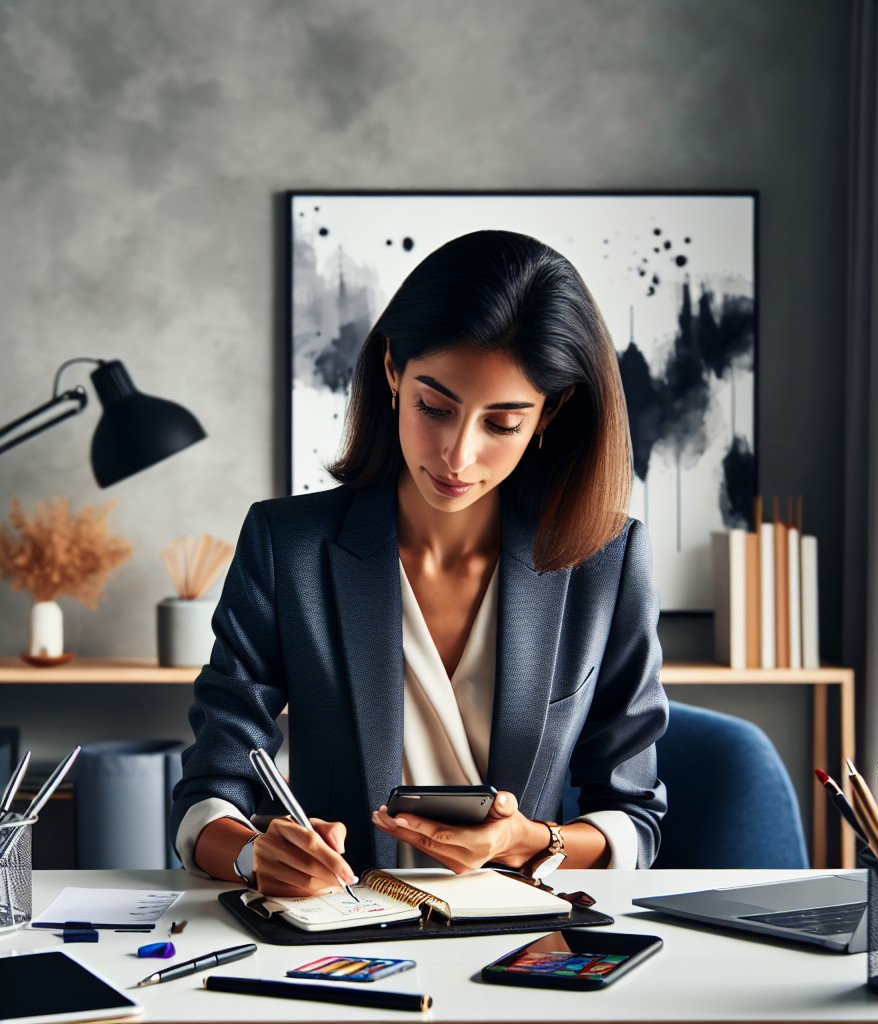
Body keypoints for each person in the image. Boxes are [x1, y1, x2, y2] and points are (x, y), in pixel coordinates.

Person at [170, 229, 668, 898]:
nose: (457, 455)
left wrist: (531, 841)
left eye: (502, 423)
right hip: (344, 932)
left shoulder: (605, 561)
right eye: (436, 407)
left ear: (550, 413)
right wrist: (254, 853)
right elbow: (208, 792)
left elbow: (635, 817)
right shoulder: (287, 547)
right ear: (392, 372)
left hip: (522, 937)